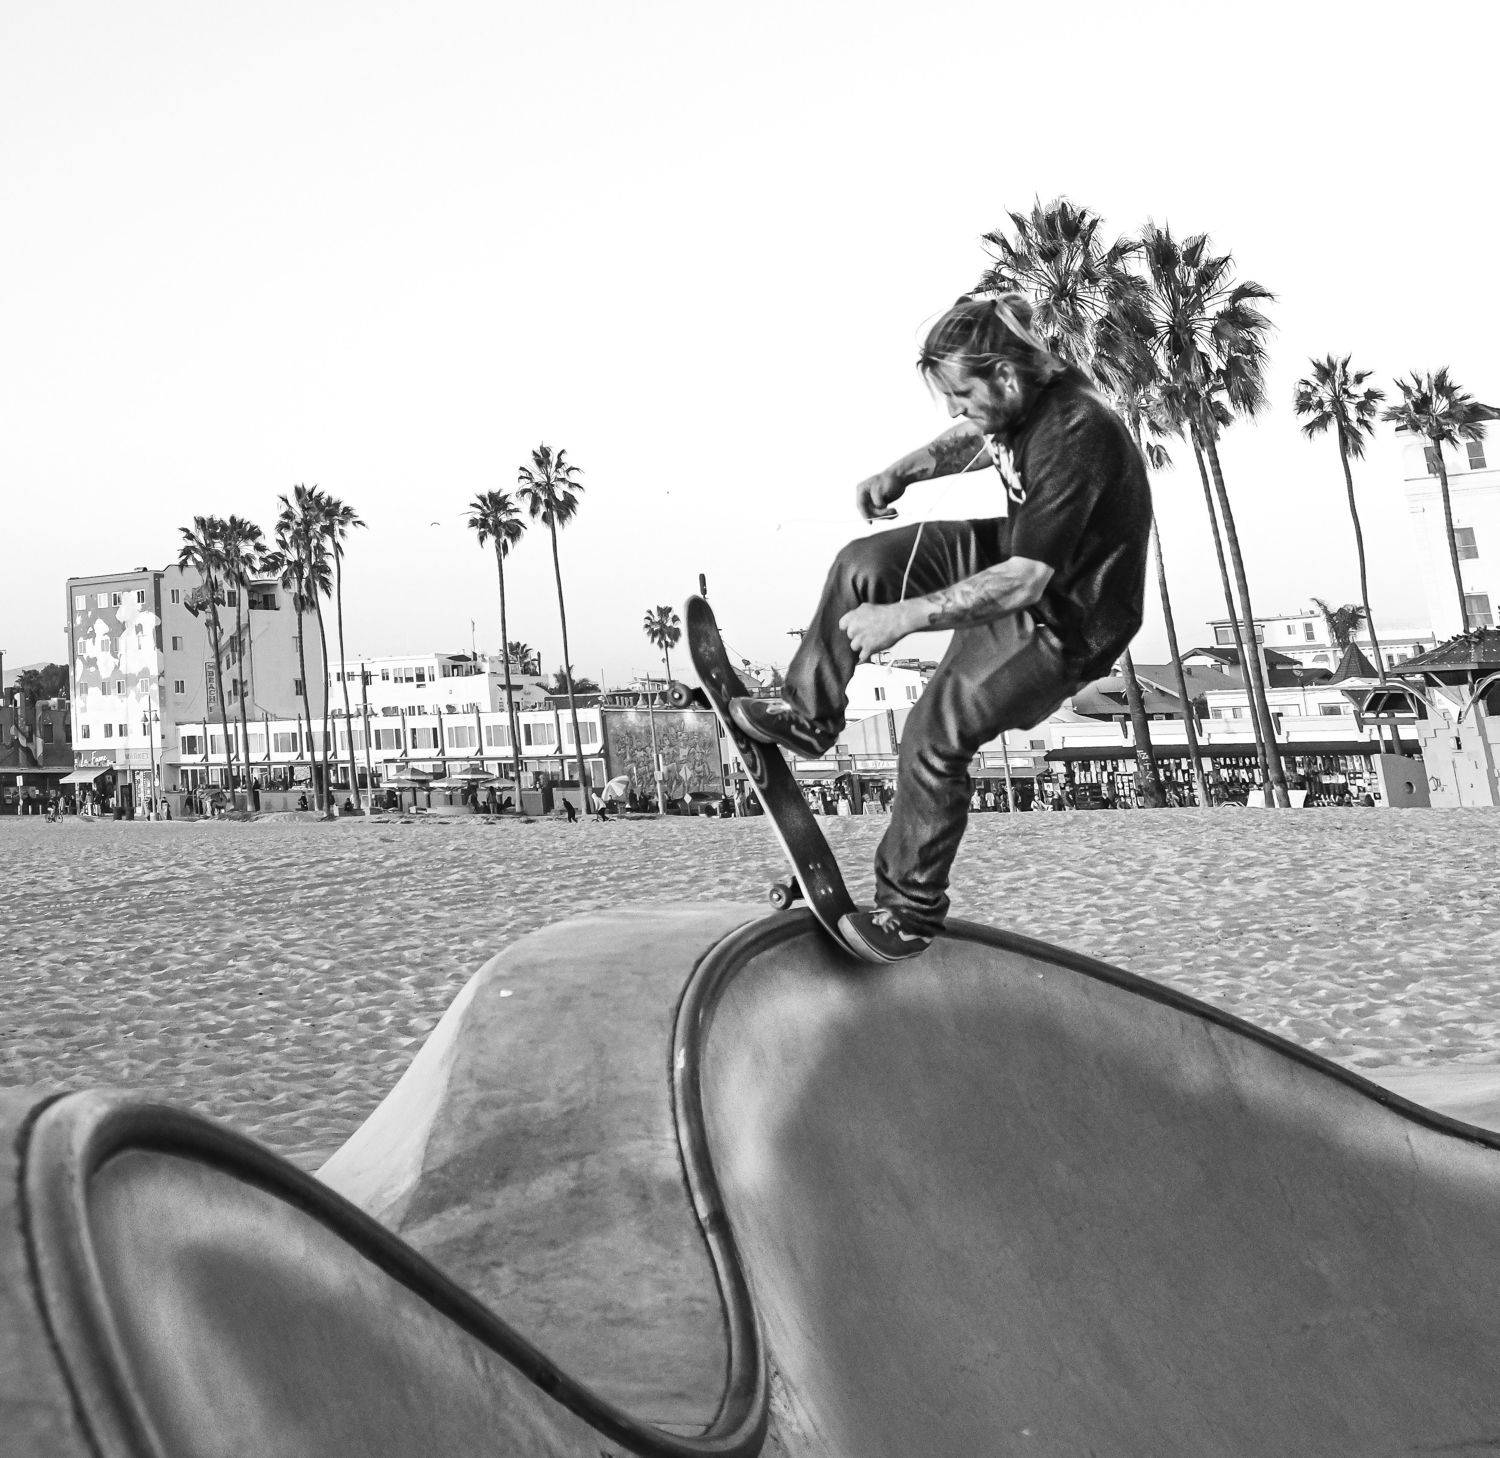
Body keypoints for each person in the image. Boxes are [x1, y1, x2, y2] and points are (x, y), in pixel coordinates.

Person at [727, 293, 1151, 962]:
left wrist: (905, 617)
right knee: (862, 566)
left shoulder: (1075, 431)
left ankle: (909, 911)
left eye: (962, 395)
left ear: (1003, 375)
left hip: (1065, 619)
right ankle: (809, 715)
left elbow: (1025, 582)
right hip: (1013, 553)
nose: (956, 410)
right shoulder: (1020, 391)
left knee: (931, 738)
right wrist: (902, 472)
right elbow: (975, 437)